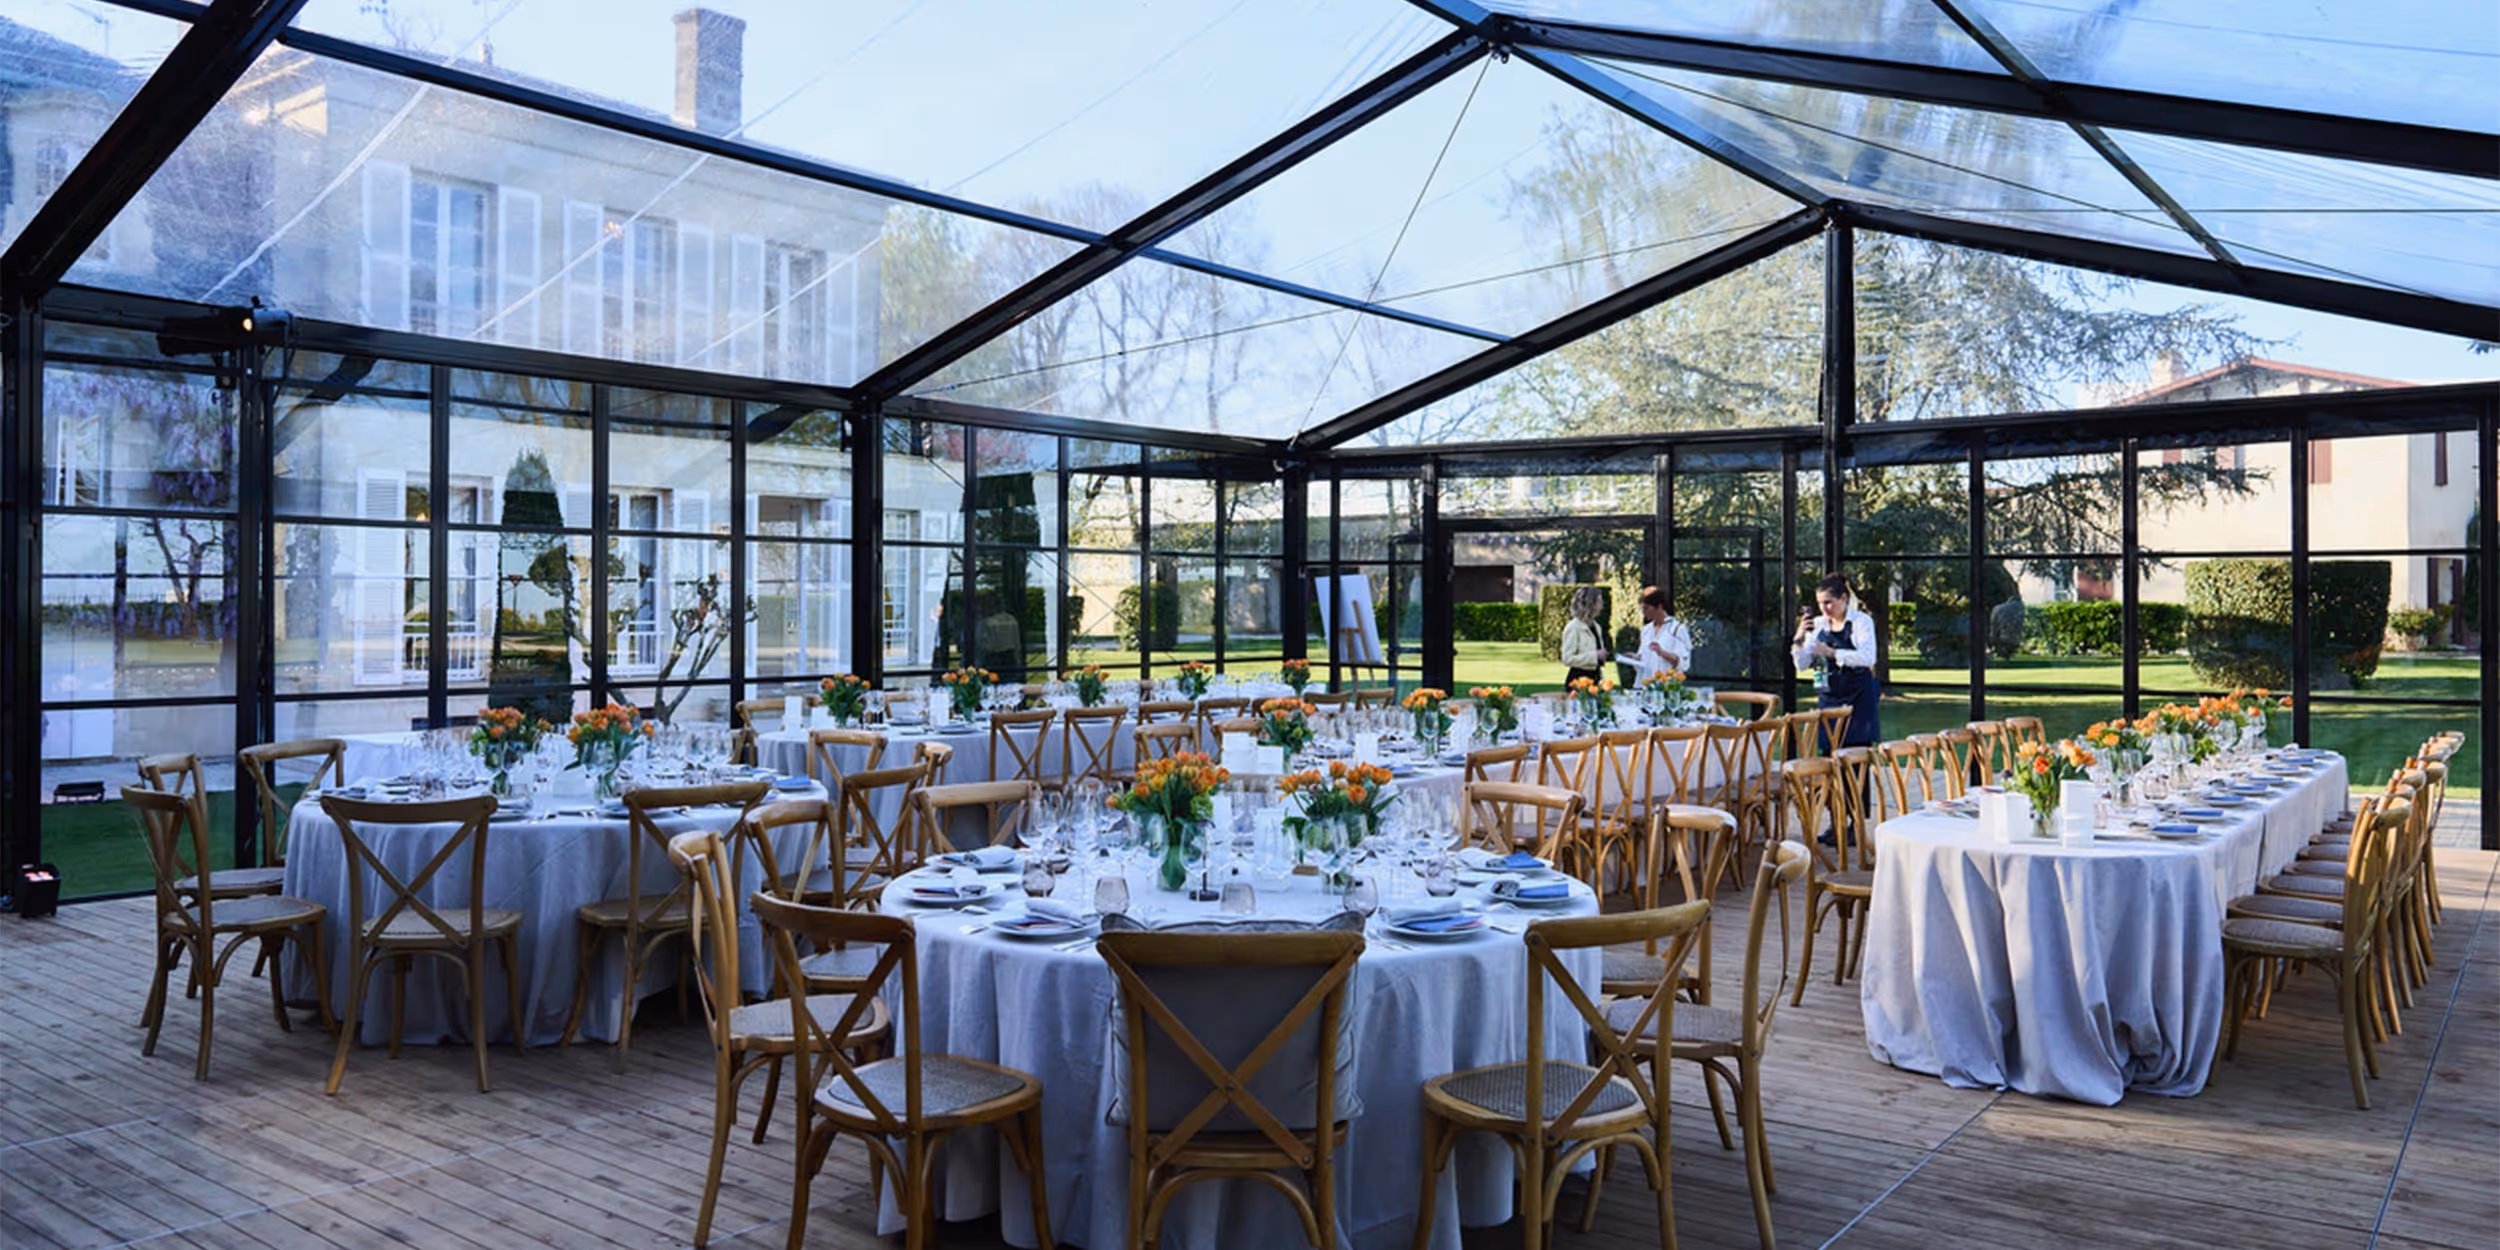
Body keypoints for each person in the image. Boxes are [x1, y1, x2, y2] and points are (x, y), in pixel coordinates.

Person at [1791, 573, 1881, 748]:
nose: (1823, 608)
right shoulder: (1818, 624)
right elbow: (1802, 665)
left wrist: (1832, 653)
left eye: (1828, 602)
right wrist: (1798, 638)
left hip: (1858, 696)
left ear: (1843, 598)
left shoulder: (1861, 621)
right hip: (1829, 696)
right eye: (1819, 603)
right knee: (1829, 753)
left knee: (1856, 755)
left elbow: (1868, 657)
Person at [1631, 586, 1692, 682]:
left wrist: (1662, 652)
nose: (1644, 612)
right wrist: (1634, 658)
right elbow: (1643, 659)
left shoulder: (1676, 629)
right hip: (1645, 685)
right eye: (1642, 609)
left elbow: (1682, 663)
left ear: (1659, 607)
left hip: (1666, 685)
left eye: (1647, 608)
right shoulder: (1646, 630)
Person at [1559, 586, 1611, 687]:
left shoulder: (1596, 626)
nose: (1602, 605)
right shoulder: (1574, 627)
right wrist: (1595, 655)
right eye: (1599, 601)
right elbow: (1567, 658)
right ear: (1591, 604)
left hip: (1596, 677)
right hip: (1579, 680)